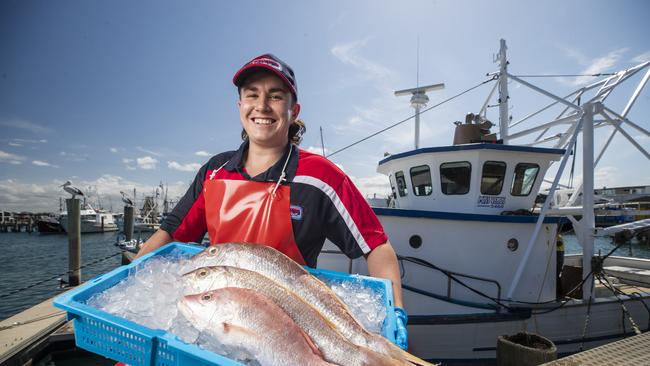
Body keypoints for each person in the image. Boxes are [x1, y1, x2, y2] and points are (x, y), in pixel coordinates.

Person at [136, 54, 408, 350]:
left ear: (294, 111)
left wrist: (396, 312)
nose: (262, 106)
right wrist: (129, 276)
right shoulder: (215, 171)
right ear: (240, 106)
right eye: (252, 95)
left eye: (276, 96)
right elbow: (171, 234)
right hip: (218, 323)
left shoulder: (321, 176)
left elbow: (377, 247)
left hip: (295, 328)